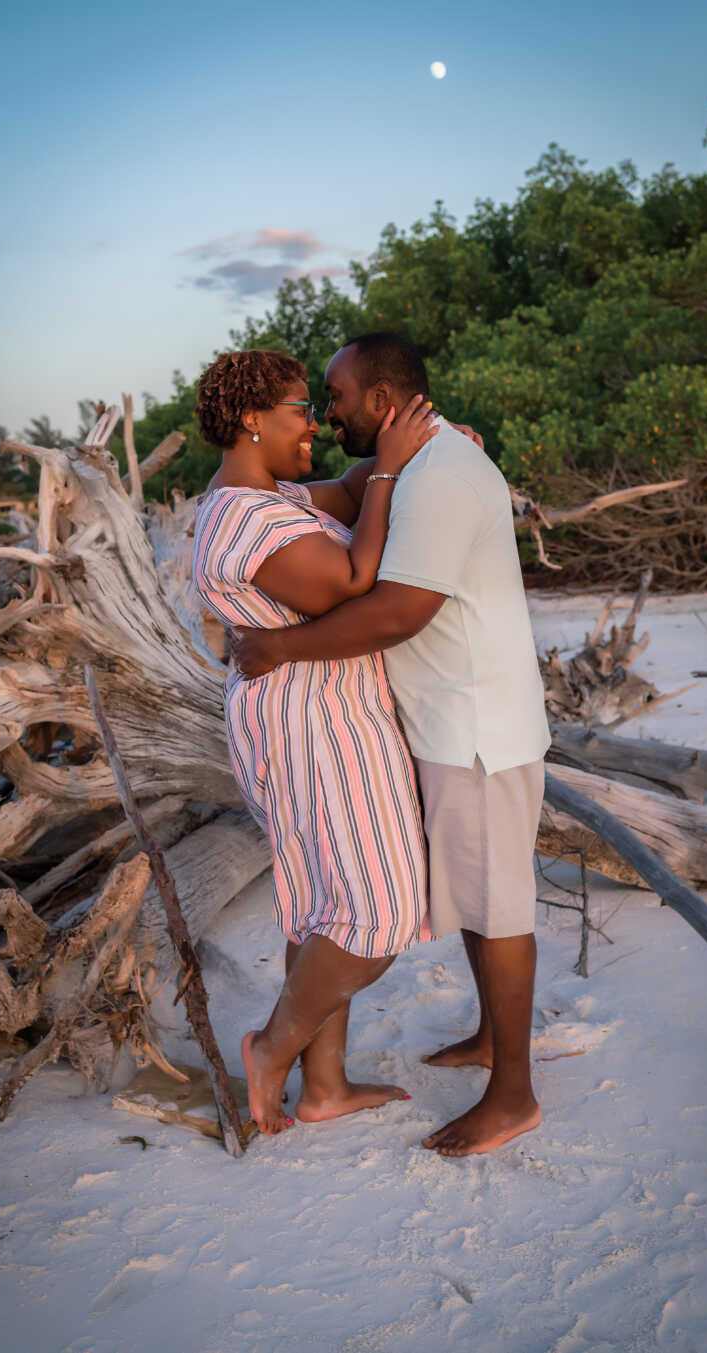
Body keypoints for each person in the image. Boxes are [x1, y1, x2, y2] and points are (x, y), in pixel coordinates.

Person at [231, 333, 552, 1158]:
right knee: (484, 898)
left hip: (477, 728)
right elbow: (329, 497)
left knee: (502, 908)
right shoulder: (416, 464)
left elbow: (398, 610)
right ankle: (491, 1037)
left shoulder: (440, 472)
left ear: (382, 403)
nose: (328, 414)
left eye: (334, 398)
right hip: (452, 722)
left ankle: (512, 1094)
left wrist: (278, 650)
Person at [192, 348, 440, 1137]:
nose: (314, 425)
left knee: (331, 897)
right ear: (251, 420)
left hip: (323, 710)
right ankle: (273, 1048)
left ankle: (324, 1085)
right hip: (311, 723)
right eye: (301, 409)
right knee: (380, 913)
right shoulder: (239, 515)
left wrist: (418, 443)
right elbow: (350, 577)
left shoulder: (271, 495)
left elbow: (346, 490)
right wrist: (395, 470)